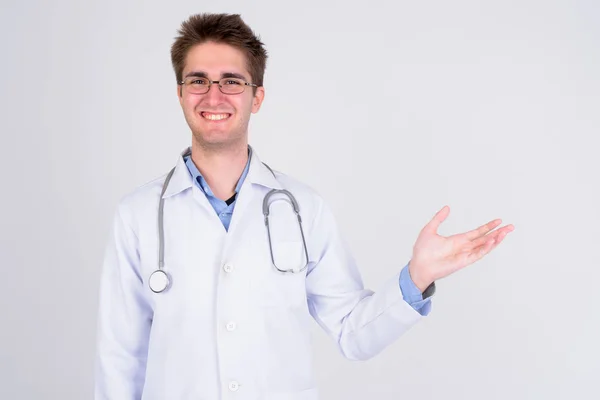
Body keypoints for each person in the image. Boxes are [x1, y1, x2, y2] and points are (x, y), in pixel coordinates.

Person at [94, 13, 514, 400]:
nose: (214, 94)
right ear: (181, 93)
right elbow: (120, 360)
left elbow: (354, 333)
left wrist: (417, 277)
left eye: (232, 81)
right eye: (198, 80)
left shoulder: (303, 209)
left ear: (256, 97)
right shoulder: (138, 215)